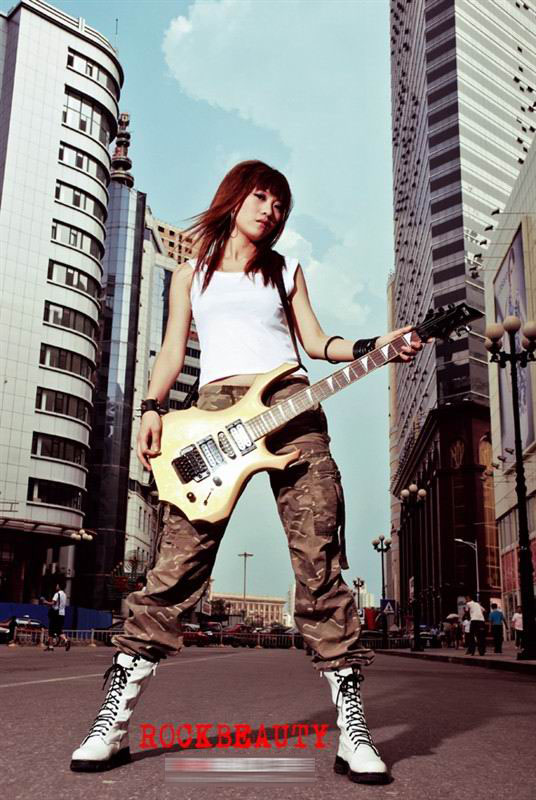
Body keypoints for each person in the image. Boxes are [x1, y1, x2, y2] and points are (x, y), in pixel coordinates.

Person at [70, 160, 422, 782]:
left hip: (292, 408)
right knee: (176, 566)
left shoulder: (286, 269)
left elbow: (317, 344)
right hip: (213, 417)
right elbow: (173, 350)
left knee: (319, 561)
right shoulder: (191, 273)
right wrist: (151, 407)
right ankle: (112, 724)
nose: (270, 211)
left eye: (280, 205)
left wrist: (375, 346)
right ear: (235, 199)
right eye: (262, 197)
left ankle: (353, 733)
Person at [43, 576, 71, 651]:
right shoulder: (64, 595)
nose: (56, 586)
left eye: (57, 585)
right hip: (62, 614)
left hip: (55, 614)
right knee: (59, 630)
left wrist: (45, 602)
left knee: (51, 630)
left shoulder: (57, 594)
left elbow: (53, 603)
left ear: (59, 586)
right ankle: (66, 640)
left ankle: (51, 646)